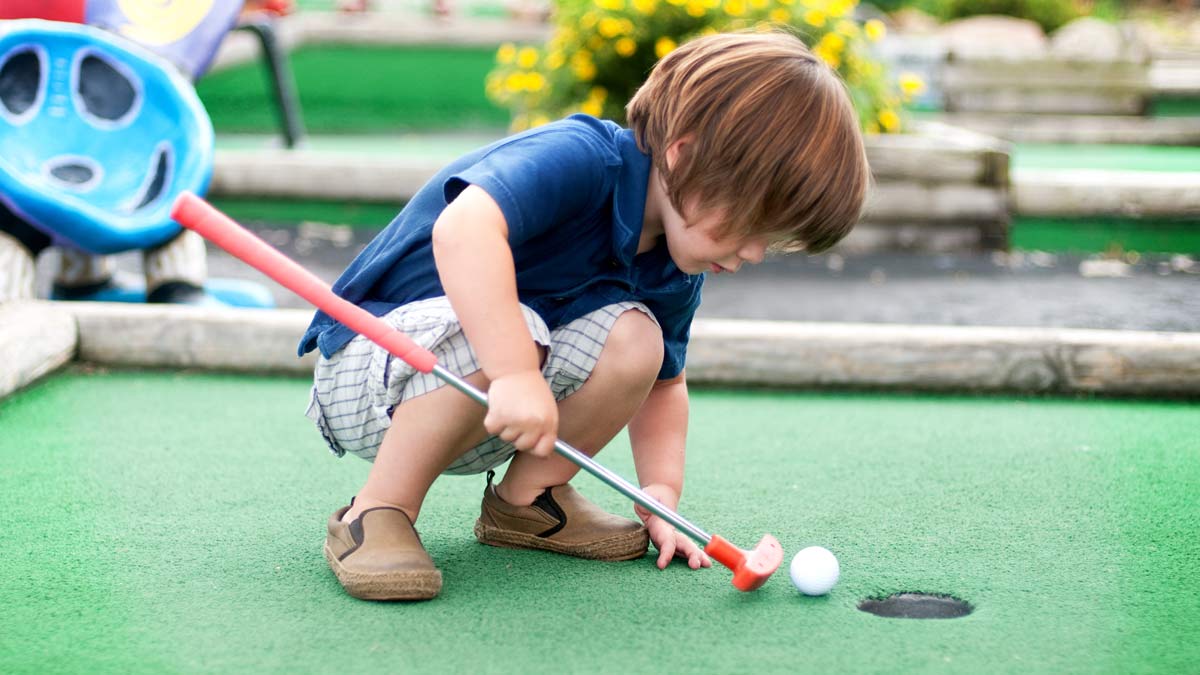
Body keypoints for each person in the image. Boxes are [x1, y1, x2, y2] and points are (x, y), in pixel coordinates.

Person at [301, 30, 870, 601]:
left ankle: (527, 503)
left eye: (769, 243)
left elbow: (664, 387)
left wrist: (661, 496)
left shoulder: (675, 268)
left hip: (492, 405)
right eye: (751, 226)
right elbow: (462, 230)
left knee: (638, 340)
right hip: (369, 373)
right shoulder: (579, 158)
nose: (750, 254)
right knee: (514, 329)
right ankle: (377, 511)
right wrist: (516, 374)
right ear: (684, 156)